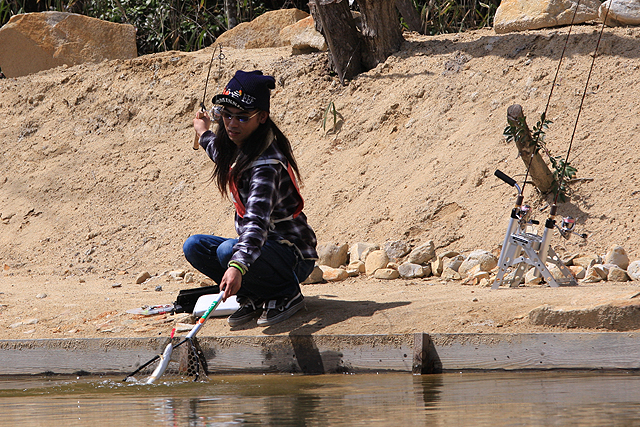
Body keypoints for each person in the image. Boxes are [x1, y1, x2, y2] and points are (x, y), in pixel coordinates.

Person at [183, 70, 318, 327]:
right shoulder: (237, 146)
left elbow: (256, 222)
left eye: (243, 117)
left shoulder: (267, 164)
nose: (232, 124)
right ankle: (255, 293)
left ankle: (286, 292)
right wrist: (202, 132)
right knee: (194, 246)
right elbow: (216, 148)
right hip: (262, 250)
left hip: (291, 255)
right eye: (226, 115)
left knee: (227, 252)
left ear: (262, 118)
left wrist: (236, 267)